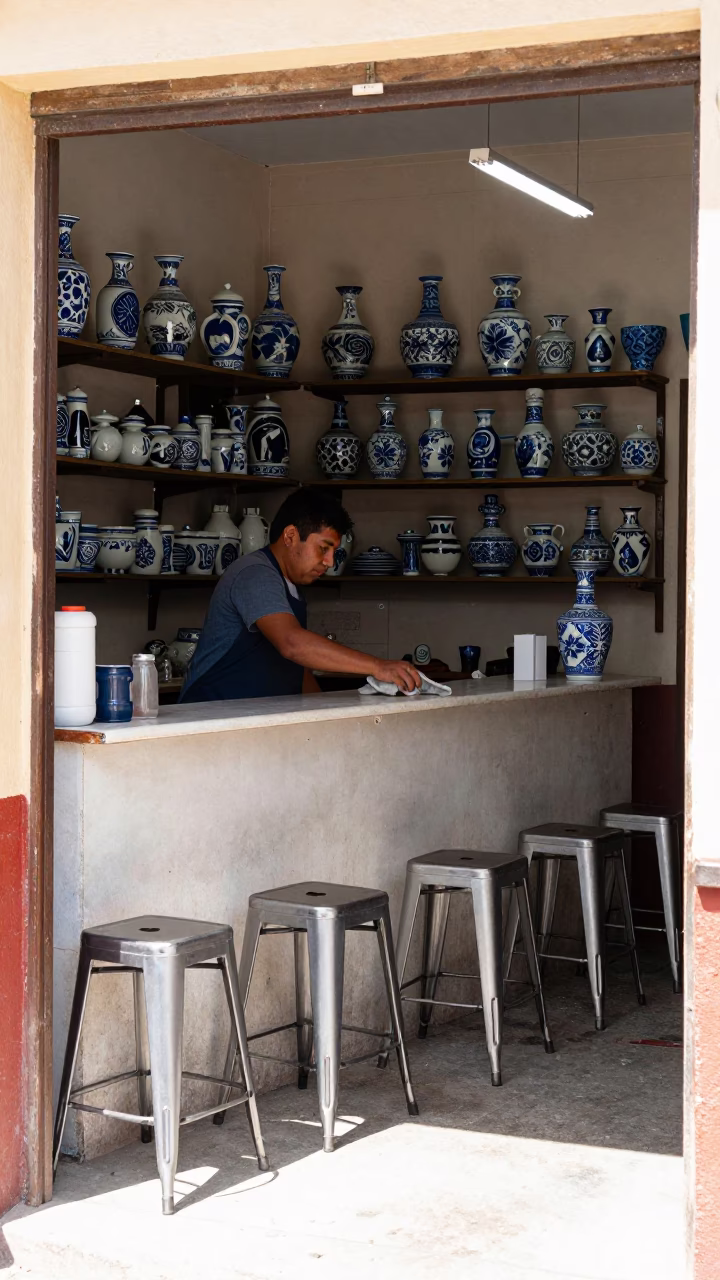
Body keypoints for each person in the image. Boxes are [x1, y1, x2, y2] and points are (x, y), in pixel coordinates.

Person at [179, 489, 421, 702]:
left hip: (249, 723)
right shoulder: (255, 574)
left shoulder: (290, 586)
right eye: (323, 548)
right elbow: (292, 644)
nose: (329, 562)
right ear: (290, 536)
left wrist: (322, 714)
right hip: (209, 718)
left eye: (333, 552)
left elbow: (296, 667)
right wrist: (378, 666)